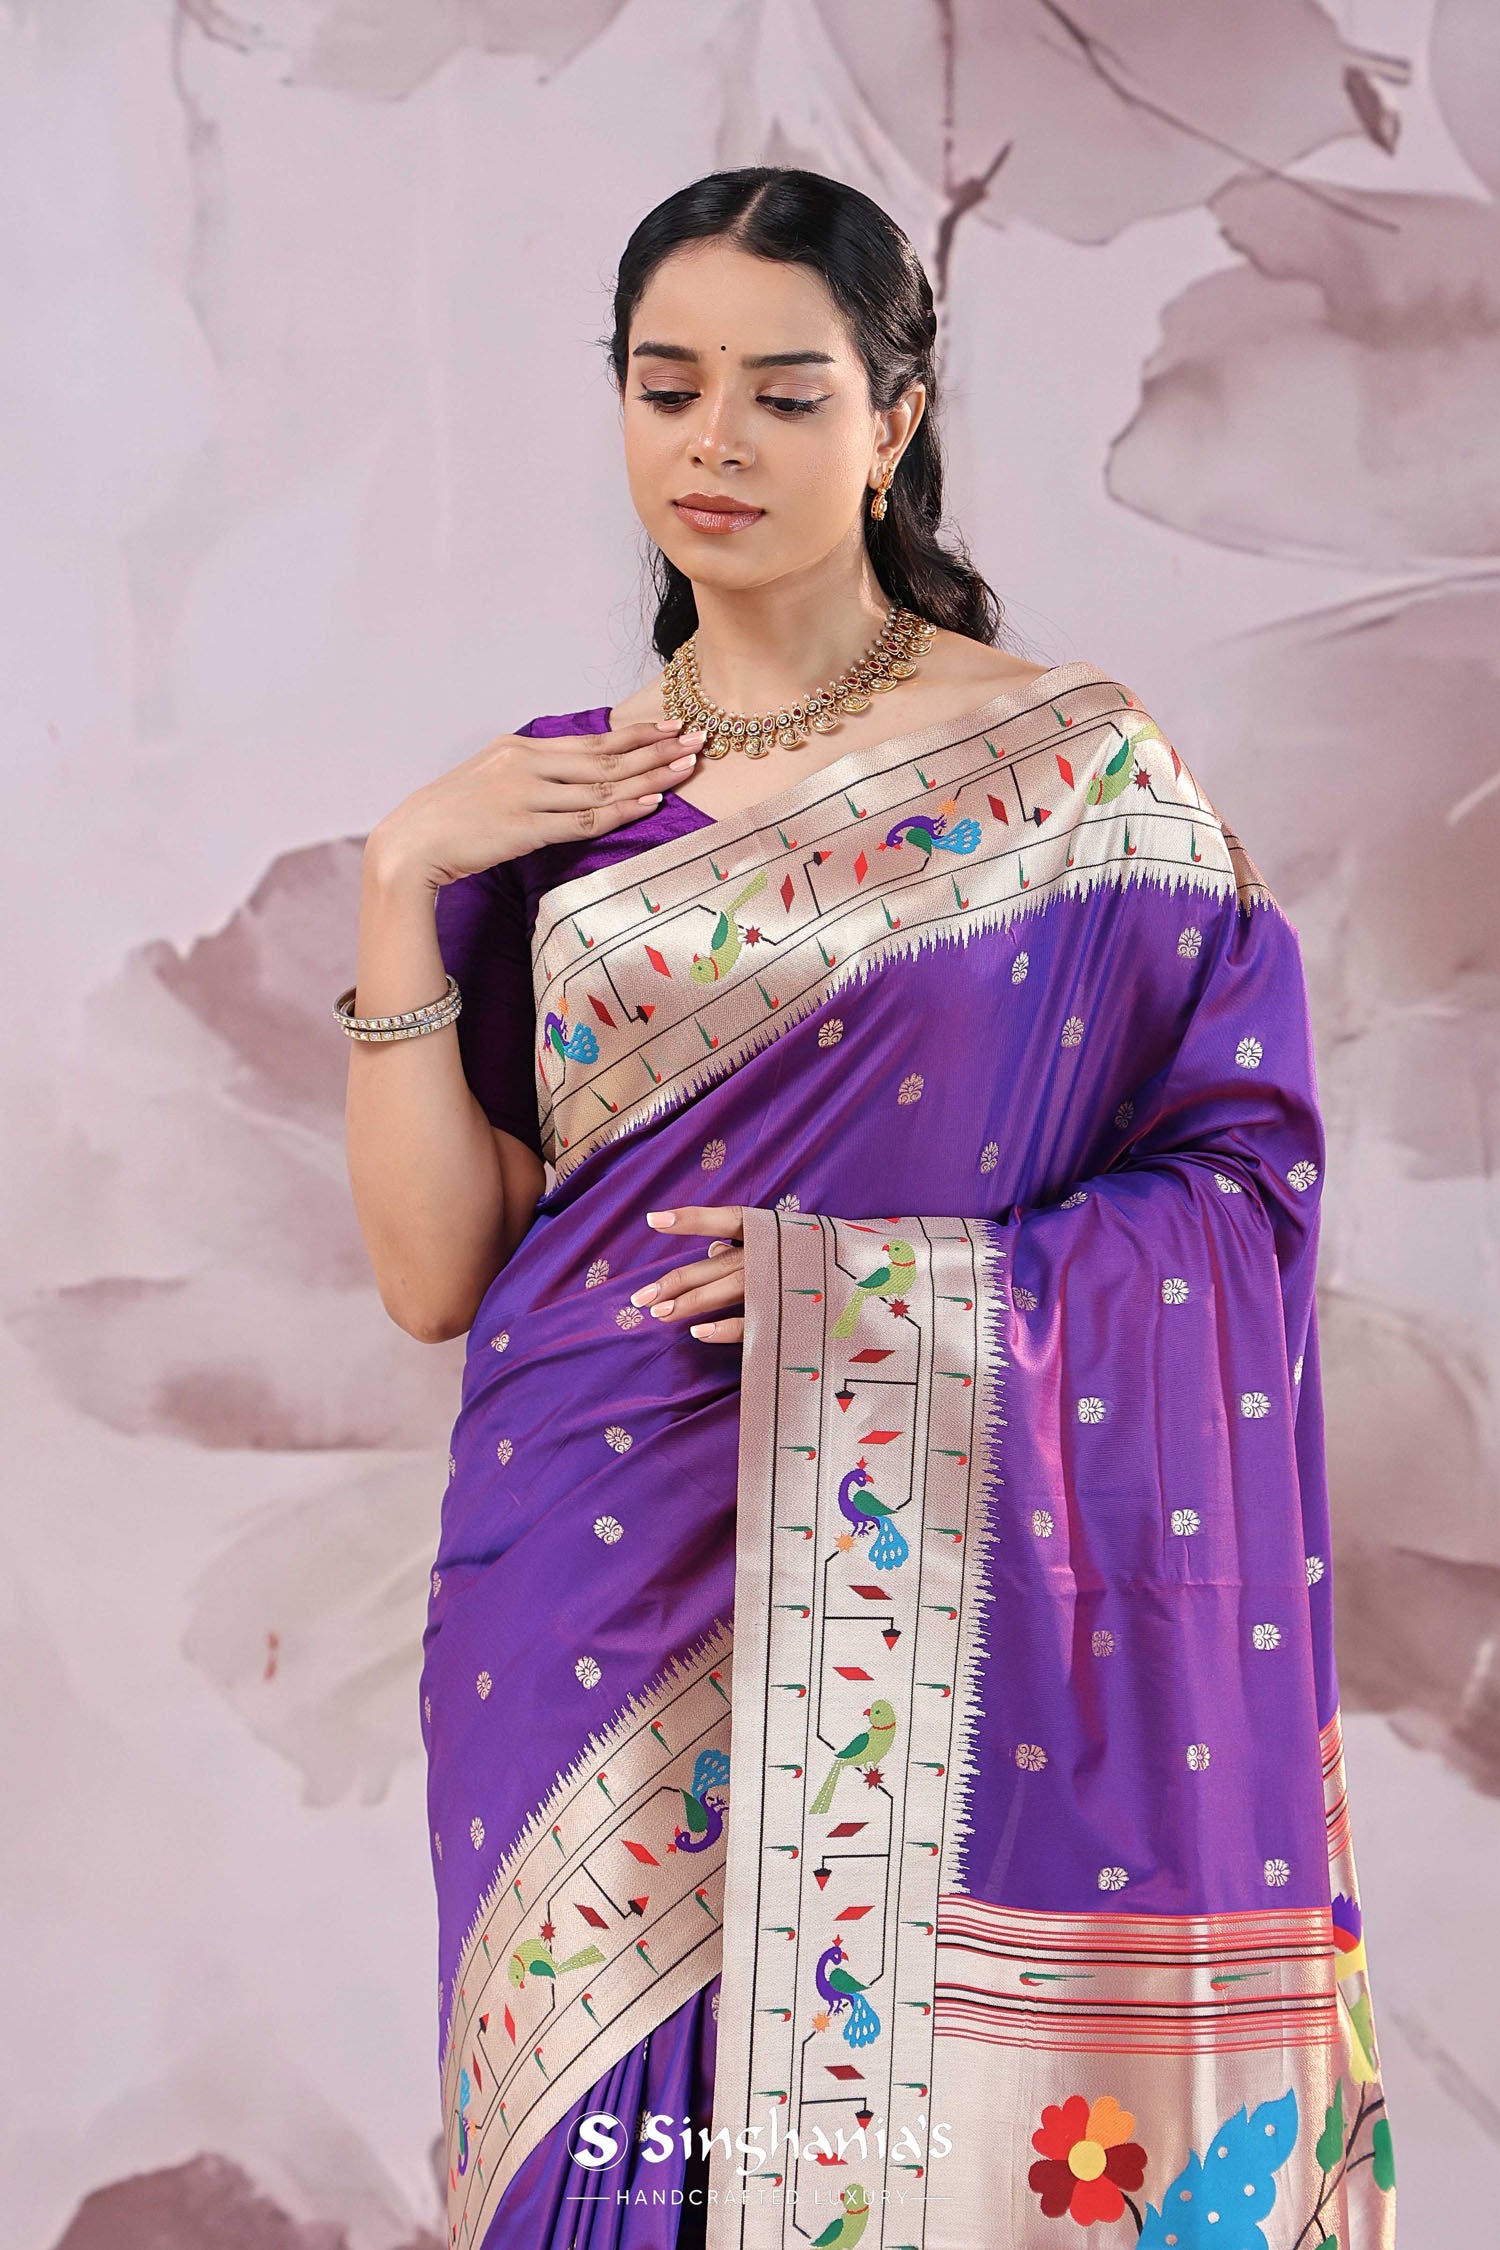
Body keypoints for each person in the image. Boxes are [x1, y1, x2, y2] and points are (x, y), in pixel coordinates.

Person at [339, 169, 1396, 2250]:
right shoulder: (553, 799)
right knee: (597, 2154)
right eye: (667, 388)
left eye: (784, 393)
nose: (714, 442)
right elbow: (434, 1270)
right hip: (579, 1570)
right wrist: (400, 883)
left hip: (937, 1540)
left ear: (894, 421)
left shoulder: (1071, 773)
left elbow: (1239, 1194)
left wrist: (895, 1300)